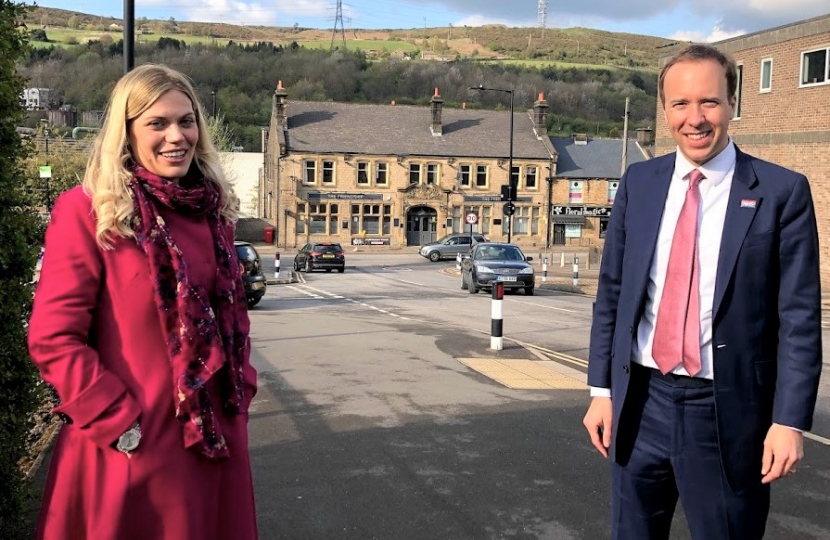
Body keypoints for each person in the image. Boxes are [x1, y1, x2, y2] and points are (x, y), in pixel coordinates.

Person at [583, 43, 822, 540]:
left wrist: (789, 422)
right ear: (666, 110)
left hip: (727, 412)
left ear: (733, 104)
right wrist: (601, 390)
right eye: (681, 104)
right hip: (641, 403)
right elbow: (613, 295)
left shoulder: (782, 192)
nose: (695, 118)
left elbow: (798, 319)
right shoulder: (638, 182)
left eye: (709, 102)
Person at [28, 64, 259, 540]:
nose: (177, 136)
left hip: (212, 442)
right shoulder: (89, 212)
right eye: (157, 123)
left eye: (187, 120)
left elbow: (234, 317)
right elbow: (54, 338)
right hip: (130, 447)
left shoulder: (215, 215)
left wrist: (243, 389)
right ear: (128, 134)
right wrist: (118, 423)